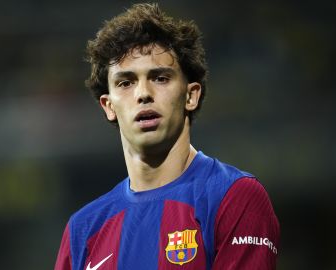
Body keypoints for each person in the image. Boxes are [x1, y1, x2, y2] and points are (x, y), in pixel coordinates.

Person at [55, 3, 279, 269]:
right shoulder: (83, 229)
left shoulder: (234, 196)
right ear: (108, 106)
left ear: (190, 95)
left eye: (160, 78)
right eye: (126, 82)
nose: (143, 93)